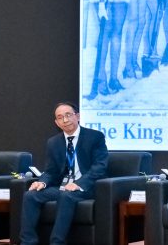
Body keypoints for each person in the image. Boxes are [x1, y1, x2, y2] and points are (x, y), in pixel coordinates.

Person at [19, 103, 109, 245]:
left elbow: (99, 167)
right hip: (63, 187)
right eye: (60, 117)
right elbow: (51, 171)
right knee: (30, 195)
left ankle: (57, 242)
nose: (65, 120)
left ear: (77, 116)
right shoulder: (53, 142)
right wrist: (42, 182)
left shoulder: (95, 137)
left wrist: (78, 184)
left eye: (68, 115)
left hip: (87, 187)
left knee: (66, 195)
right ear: (57, 123)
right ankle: (28, 242)